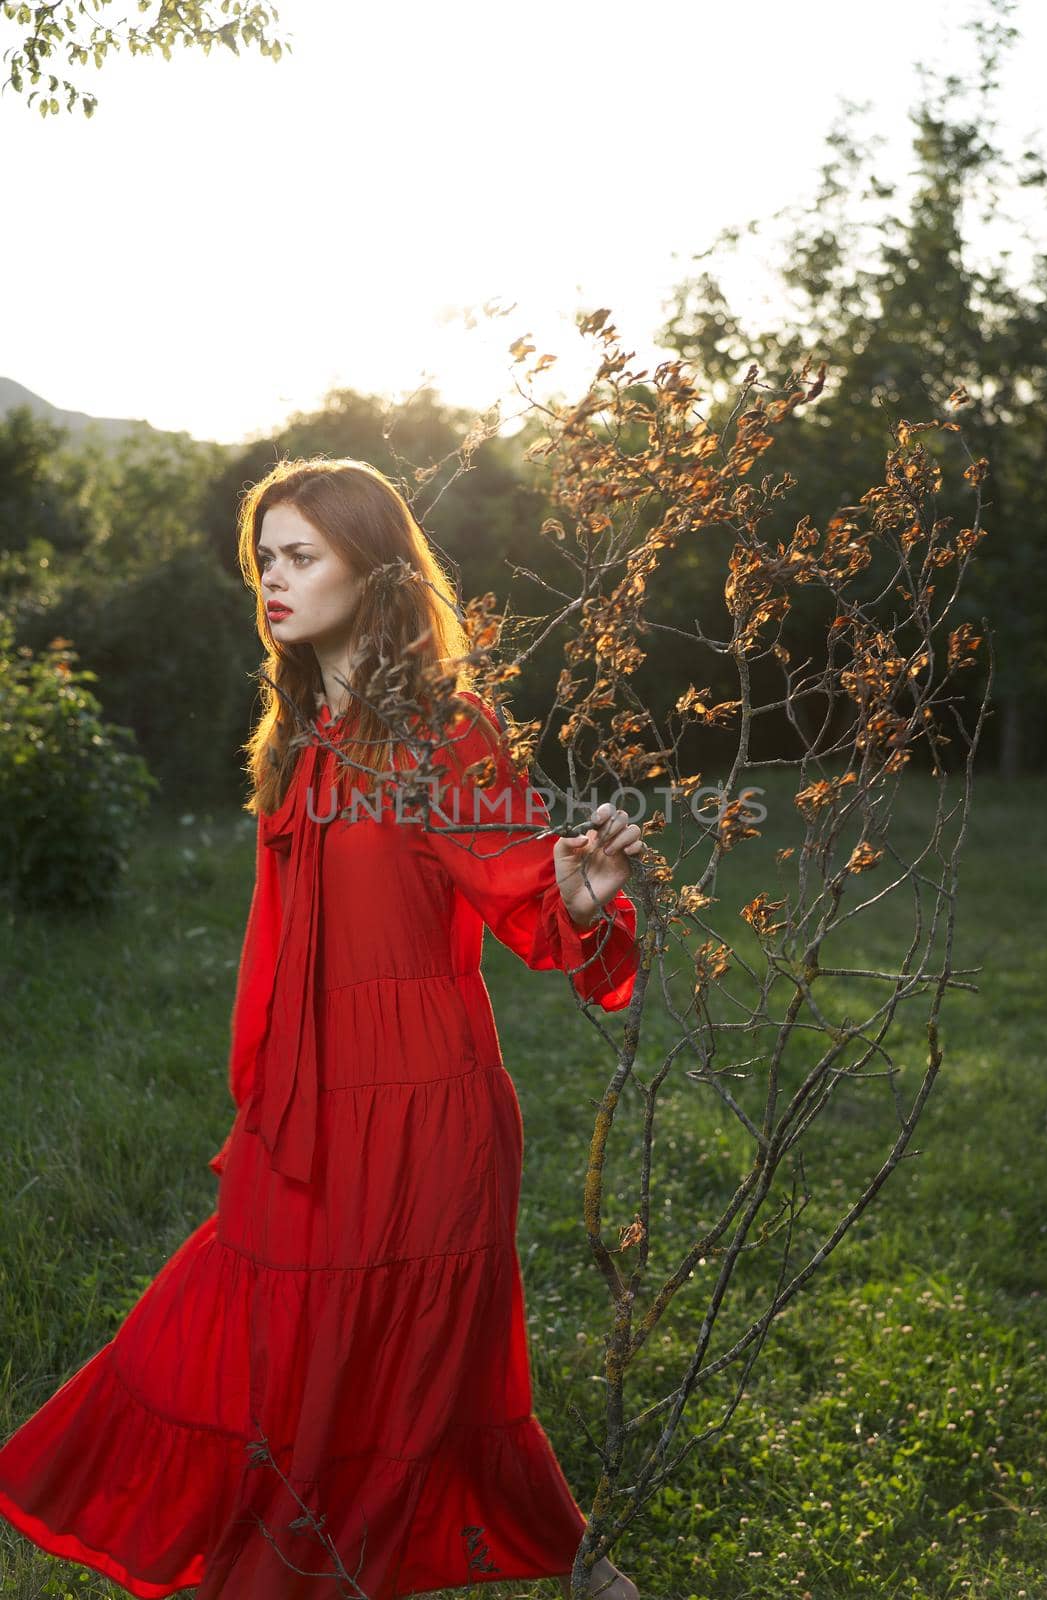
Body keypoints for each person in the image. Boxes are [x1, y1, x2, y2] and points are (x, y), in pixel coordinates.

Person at [0, 457, 645, 1599]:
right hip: (309, 1098)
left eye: (302, 556)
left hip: (422, 1099)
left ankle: (551, 1556)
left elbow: (515, 888)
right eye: (264, 561)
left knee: (417, 1365)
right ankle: (351, 1542)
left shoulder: (445, 732)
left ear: (374, 565)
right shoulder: (299, 734)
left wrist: (578, 898)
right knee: (251, 1322)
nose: (274, 582)